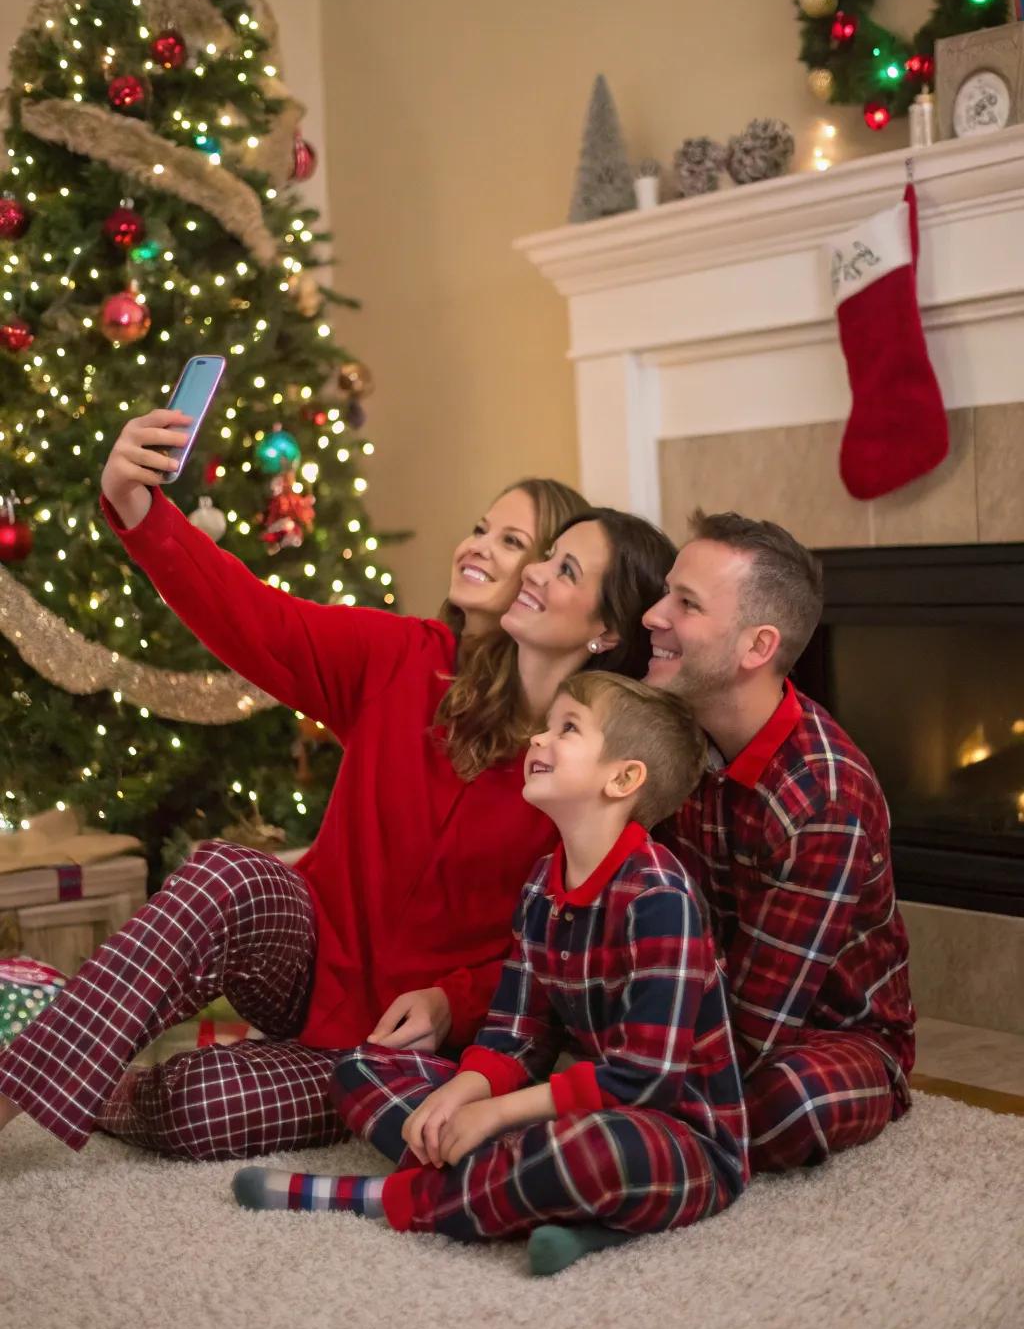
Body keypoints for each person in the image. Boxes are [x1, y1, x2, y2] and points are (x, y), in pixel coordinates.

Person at [0, 406, 675, 1160]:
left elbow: (562, 947)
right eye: (516, 543)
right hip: (302, 955)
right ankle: (14, 1086)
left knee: (197, 1109)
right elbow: (255, 618)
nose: (514, 562)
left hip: (398, 1050)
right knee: (228, 874)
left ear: (605, 630)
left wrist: (455, 1004)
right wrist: (138, 508)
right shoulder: (407, 659)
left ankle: (96, 1062)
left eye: (539, 555)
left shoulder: (586, 771)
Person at [233, 671, 748, 1278]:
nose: (537, 740)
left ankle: (396, 1199)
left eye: (567, 730)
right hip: (575, 1113)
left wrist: (497, 1115)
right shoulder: (540, 886)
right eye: (545, 726)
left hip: (680, 1136)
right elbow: (515, 1036)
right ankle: (560, 1213)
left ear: (624, 778)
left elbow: (644, 1081)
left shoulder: (658, 896)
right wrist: (460, 1097)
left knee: (585, 1153)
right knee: (361, 1067)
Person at [644, 509, 915, 1172]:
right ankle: (637, 1149)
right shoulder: (673, 733)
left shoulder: (823, 798)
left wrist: (630, 1076)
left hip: (827, 1034)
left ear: (756, 647)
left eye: (686, 604)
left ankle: (628, 1161)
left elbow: (753, 1030)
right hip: (705, 997)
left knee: (787, 1102)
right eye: (665, 592)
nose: (653, 615)